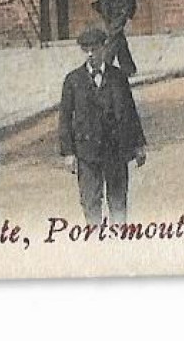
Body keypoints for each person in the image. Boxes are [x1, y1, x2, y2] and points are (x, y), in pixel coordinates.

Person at [58, 26, 147, 224]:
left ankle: (119, 243)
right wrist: (68, 152)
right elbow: (65, 118)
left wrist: (138, 145)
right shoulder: (73, 80)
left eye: (95, 49)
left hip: (115, 149)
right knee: (90, 201)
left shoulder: (118, 77)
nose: (91, 54)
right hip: (86, 152)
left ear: (104, 48)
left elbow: (129, 112)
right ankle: (95, 245)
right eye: (86, 50)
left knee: (118, 201)